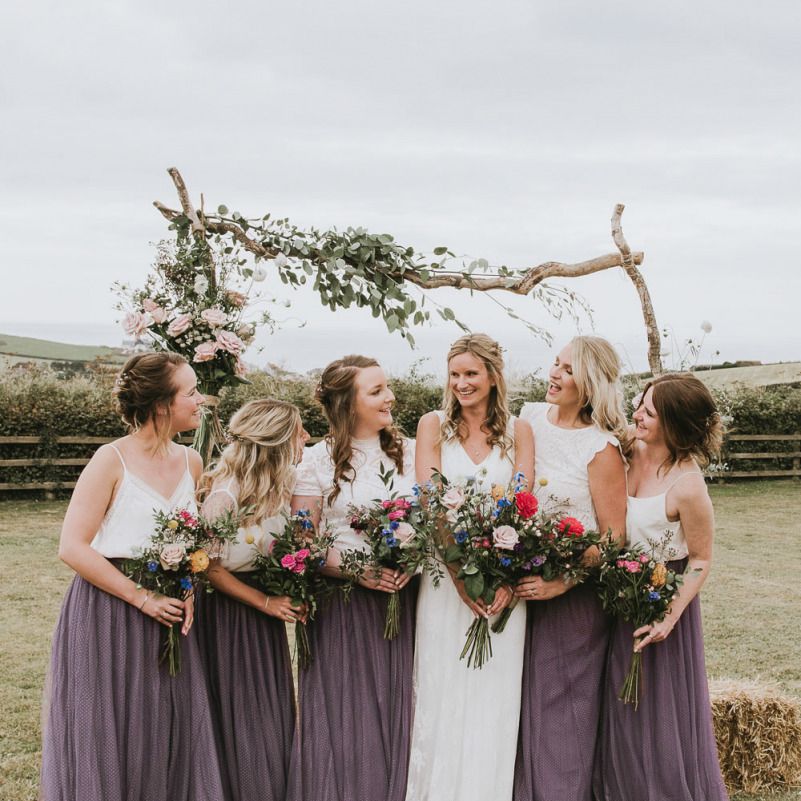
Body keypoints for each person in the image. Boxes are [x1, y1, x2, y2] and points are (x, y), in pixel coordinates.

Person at [40, 351, 225, 801]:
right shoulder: (111, 460)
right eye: (191, 391)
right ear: (162, 404)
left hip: (171, 613)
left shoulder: (191, 462)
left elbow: (188, 541)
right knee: (113, 730)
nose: (201, 400)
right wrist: (141, 598)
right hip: (109, 613)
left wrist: (189, 587)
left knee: (167, 729)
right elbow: (73, 546)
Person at [406, 333, 534, 801]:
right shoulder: (432, 425)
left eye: (471, 374)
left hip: (501, 588)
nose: (461, 383)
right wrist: (460, 575)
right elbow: (431, 503)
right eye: (455, 374)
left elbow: (522, 507)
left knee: (494, 697)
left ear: (493, 376)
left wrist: (504, 580)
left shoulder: (518, 431)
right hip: (446, 582)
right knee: (441, 692)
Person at [287, 355, 418, 801]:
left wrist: (413, 560)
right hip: (342, 605)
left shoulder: (413, 452)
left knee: (400, 709)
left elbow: (435, 520)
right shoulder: (315, 462)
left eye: (387, 387)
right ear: (347, 403)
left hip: (405, 603)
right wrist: (359, 570)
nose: (390, 397)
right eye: (377, 391)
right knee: (345, 714)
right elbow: (303, 541)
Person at [593, 372, 729, 801]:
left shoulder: (687, 486)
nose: (637, 414)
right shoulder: (625, 451)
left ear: (674, 422)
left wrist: (668, 616)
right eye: (639, 404)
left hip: (661, 606)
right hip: (615, 598)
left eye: (649, 412)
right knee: (615, 708)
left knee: (655, 717)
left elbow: (701, 560)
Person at [513, 335, 628, 801]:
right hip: (519, 587)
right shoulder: (529, 417)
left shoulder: (601, 450)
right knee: (522, 708)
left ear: (591, 381)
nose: (553, 375)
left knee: (562, 713)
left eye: (566, 369)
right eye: (555, 364)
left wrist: (562, 581)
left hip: (572, 601)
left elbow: (613, 538)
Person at [195, 398, 310, 801]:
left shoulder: (279, 487)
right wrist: (264, 602)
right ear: (276, 442)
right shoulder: (224, 496)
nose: (307, 439)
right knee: (242, 715)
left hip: (263, 615)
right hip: (227, 616)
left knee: (271, 712)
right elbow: (206, 566)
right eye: (299, 433)